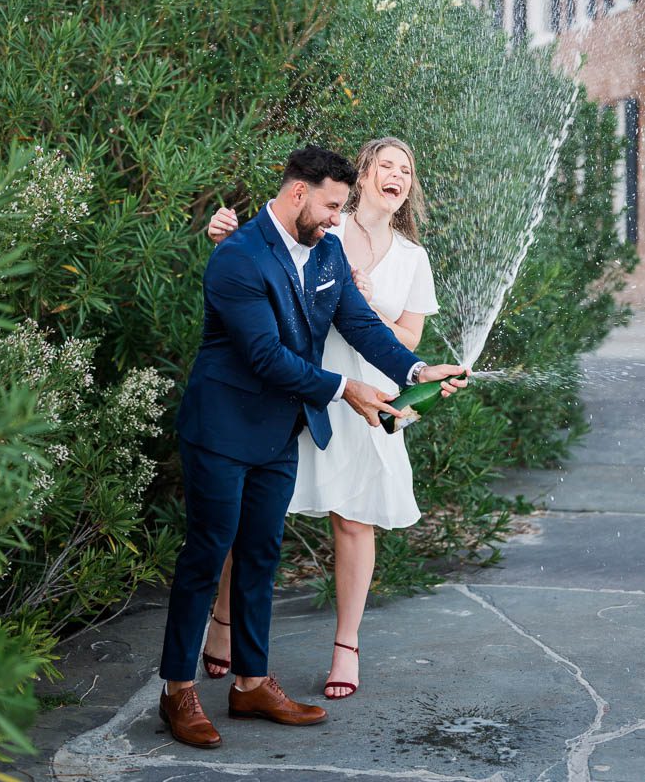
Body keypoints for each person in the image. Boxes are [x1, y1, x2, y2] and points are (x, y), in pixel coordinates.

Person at [158, 145, 467, 749]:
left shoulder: (325, 249)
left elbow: (359, 324)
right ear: (298, 193)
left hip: (280, 433)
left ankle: (251, 683)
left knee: (260, 557)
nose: (335, 219)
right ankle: (176, 691)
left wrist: (416, 369)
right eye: (329, 206)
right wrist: (344, 388)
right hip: (221, 430)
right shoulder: (239, 258)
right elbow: (265, 357)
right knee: (206, 558)